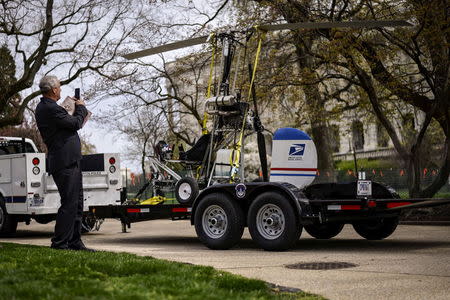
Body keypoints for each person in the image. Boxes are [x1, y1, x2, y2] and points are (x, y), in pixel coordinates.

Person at [35, 75, 93, 251]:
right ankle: (59, 243)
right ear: (53, 90)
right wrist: (81, 107)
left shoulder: (50, 108)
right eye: (59, 87)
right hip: (64, 162)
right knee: (69, 203)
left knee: (77, 203)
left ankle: (75, 241)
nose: (60, 90)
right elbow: (76, 123)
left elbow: (66, 123)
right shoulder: (50, 108)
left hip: (71, 160)